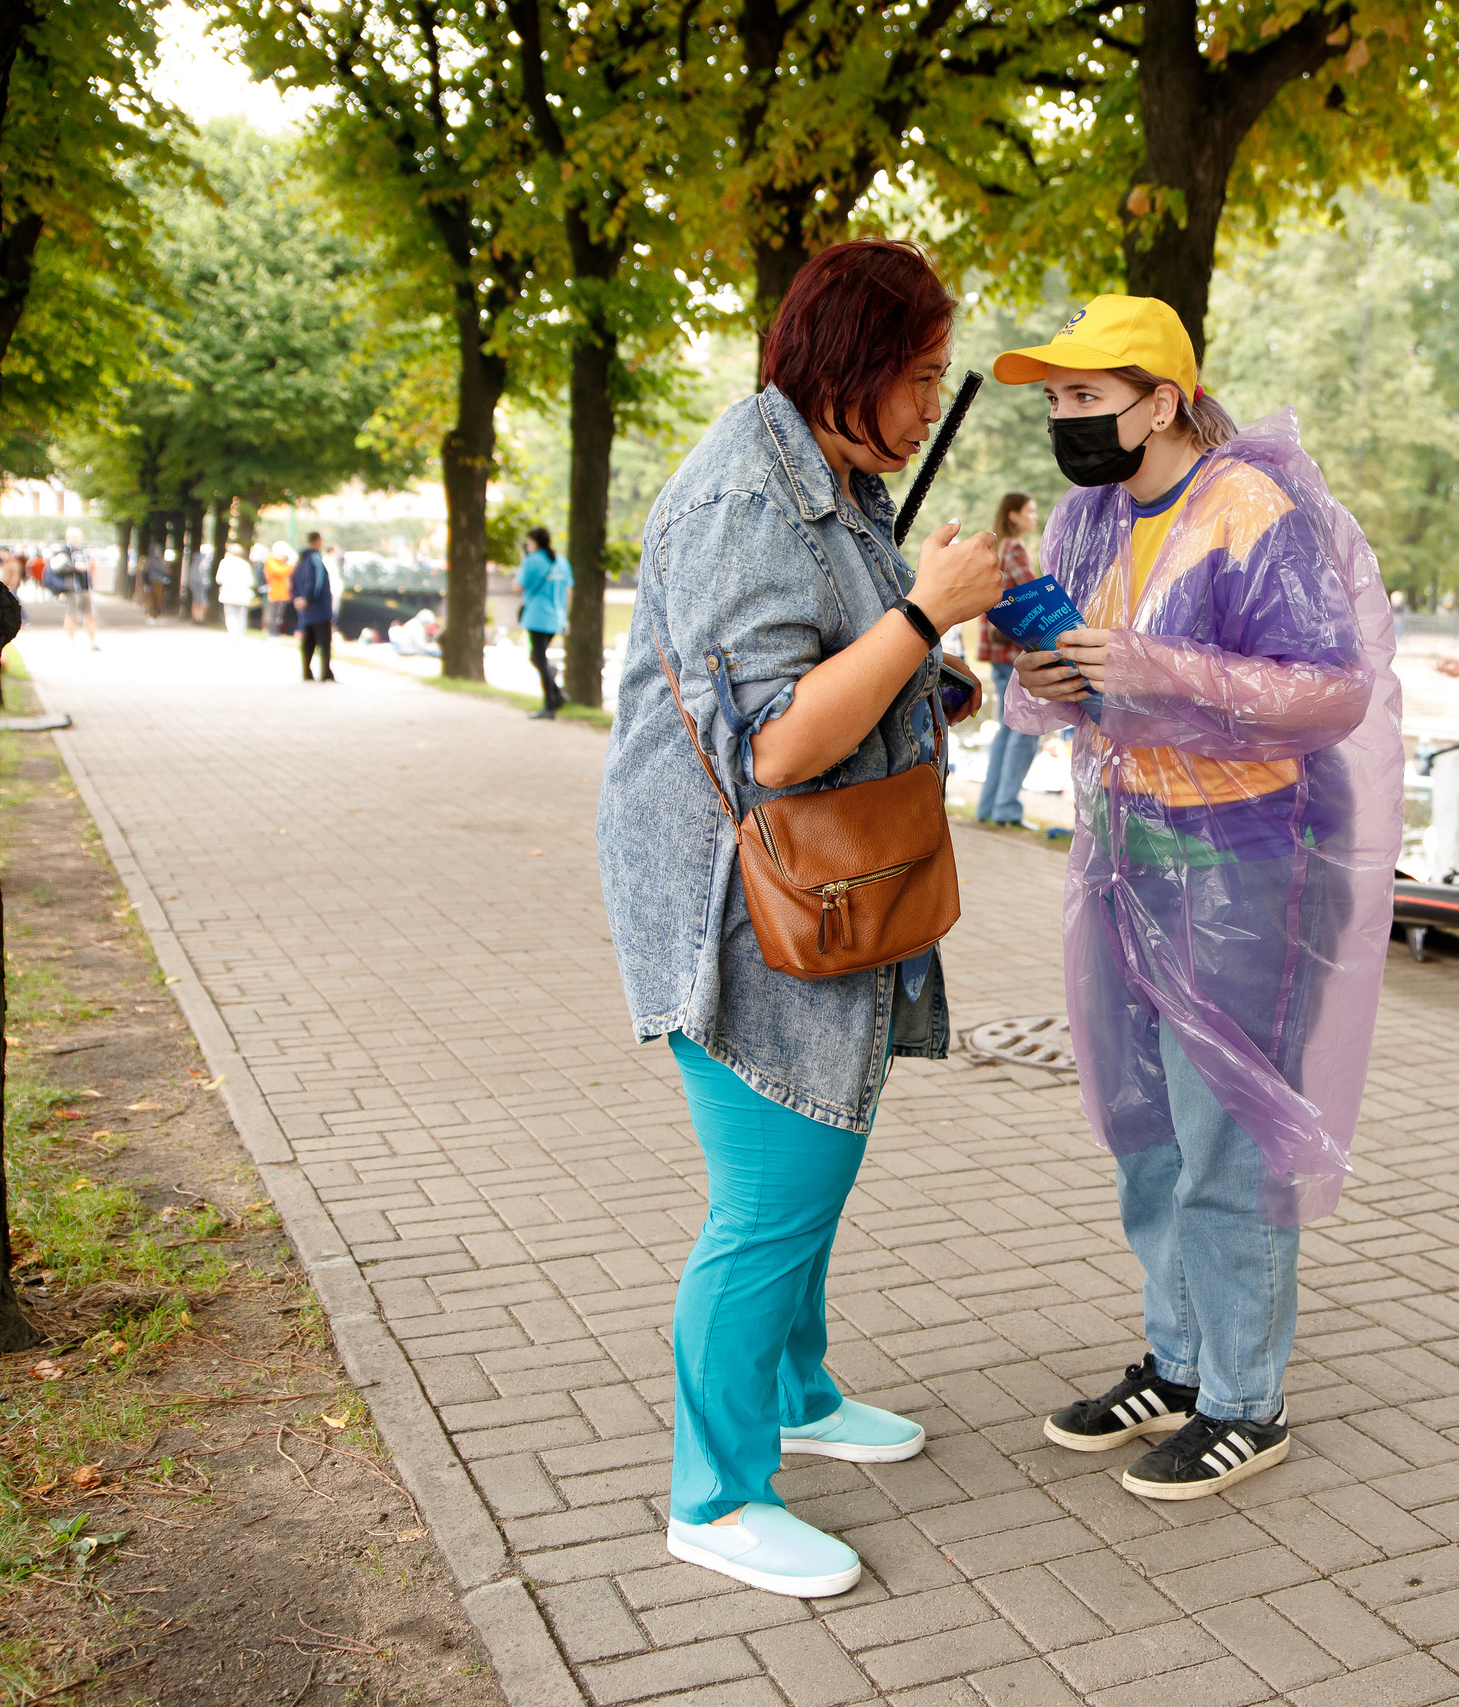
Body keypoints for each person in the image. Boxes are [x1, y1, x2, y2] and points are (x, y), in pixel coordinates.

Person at [596, 240, 1004, 1599]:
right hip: (738, 892)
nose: (936, 397)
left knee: (823, 1132)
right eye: (925, 373)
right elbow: (775, 742)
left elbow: (843, 669)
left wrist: (933, 667)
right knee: (776, 1190)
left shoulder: (836, 479)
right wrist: (920, 611)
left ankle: (797, 1388)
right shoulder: (738, 499)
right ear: (857, 367)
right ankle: (712, 1493)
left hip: (825, 877)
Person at [994, 294, 1401, 1501]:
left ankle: (1244, 1398)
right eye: (1053, 399)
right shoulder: (1083, 519)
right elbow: (1071, 702)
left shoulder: (1248, 509)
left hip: (1244, 861)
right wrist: (1043, 671)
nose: (1064, 419)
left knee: (1225, 1134)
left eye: (1086, 397)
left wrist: (1151, 665)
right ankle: (1176, 1364)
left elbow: (1331, 691)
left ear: (1161, 400)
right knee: (1144, 1126)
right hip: (1120, 851)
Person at [974, 493, 1043, 824]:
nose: (1036, 516)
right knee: (1026, 729)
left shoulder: (996, 549)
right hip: (1013, 650)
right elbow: (1032, 594)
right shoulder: (1014, 547)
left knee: (1006, 727)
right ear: (1014, 516)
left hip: (997, 651)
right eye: (1030, 511)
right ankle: (1005, 808)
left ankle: (989, 807)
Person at [517, 526, 572, 719]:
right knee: (538, 658)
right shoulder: (562, 562)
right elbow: (568, 591)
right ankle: (556, 694)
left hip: (537, 617)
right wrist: (565, 616)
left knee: (538, 658)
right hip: (556, 617)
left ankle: (551, 703)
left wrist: (523, 560)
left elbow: (517, 586)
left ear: (534, 542)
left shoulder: (532, 561)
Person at [290, 532, 337, 681]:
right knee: (324, 641)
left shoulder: (300, 560)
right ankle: (325, 673)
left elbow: (292, 579)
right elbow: (317, 581)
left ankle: (307, 672)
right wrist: (307, 597)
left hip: (306, 609)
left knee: (308, 641)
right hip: (319, 607)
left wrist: (297, 597)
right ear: (317, 541)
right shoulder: (316, 558)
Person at [55, 527, 99, 651]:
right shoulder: (64, 551)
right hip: (72, 588)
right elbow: (57, 568)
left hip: (85, 588)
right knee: (71, 614)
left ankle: (92, 641)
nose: (76, 539)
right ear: (67, 537)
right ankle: (70, 641)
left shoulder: (83, 551)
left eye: (78, 536)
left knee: (90, 615)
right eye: (73, 536)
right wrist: (75, 568)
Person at [217, 542, 256, 638]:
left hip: (229, 591)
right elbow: (250, 581)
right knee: (241, 615)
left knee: (230, 614)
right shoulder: (245, 564)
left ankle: (232, 633)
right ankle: (240, 634)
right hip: (242, 593)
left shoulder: (225, 563)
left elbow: (219, 578)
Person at [264, 541, 295, 635]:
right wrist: (290, 564)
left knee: (279, 615)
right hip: (275, 591)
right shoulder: (271, 561)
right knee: (274, 614)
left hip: (283, 592)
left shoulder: (282, 563)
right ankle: (272, 633)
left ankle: (276, 633)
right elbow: (280, 572)